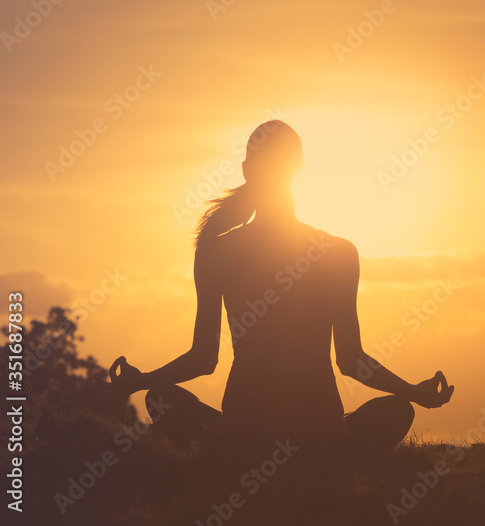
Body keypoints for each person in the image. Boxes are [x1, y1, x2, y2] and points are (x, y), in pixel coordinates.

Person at [108, 120, 454, 460]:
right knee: (398, 410)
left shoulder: (215, 252)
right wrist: (412, 392)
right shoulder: (338, 252)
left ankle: (228, 455)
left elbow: (203, 358)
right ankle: (334, 456)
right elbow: (352, 361)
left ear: (247, 170)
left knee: (160, 397)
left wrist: (141, 381)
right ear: (299, 171)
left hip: (242, 436)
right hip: (320, 433)